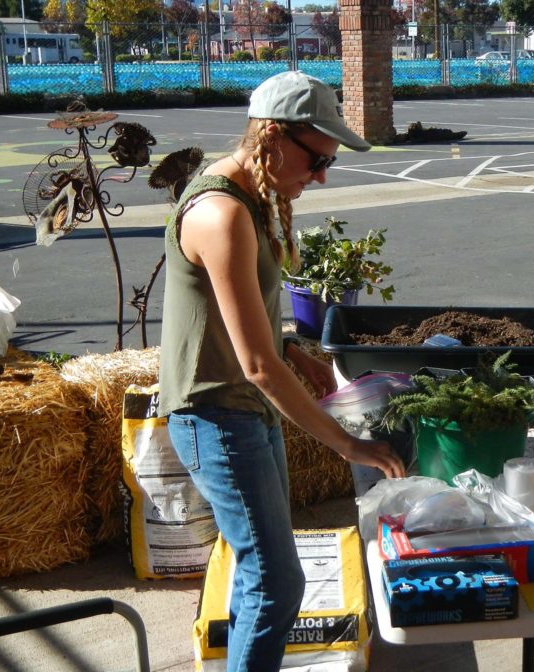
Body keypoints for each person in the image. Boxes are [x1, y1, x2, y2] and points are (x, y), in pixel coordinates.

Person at [157, 71, 406, 672]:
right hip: (215, 413)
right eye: (316, 159)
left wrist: (294, 347)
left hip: (242, 408)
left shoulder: (252, 194)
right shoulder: (221, 212)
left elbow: (252, 324)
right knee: (277, 583)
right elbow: (257, 366)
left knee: (260, 571)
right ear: (272, 135)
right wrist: (351, 445)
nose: (319, 176)